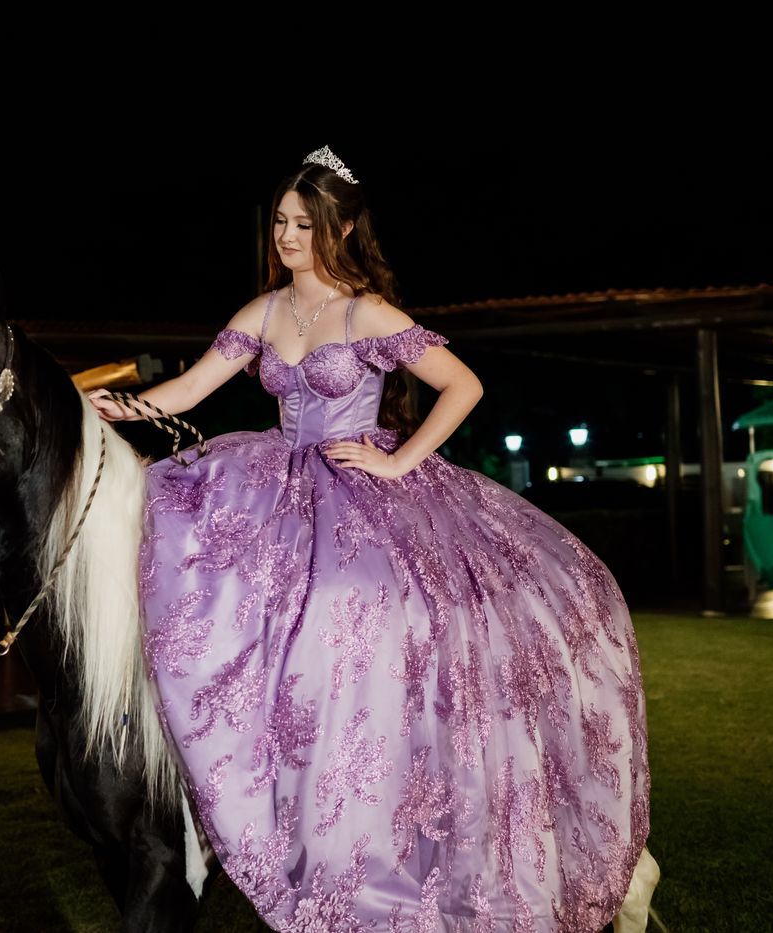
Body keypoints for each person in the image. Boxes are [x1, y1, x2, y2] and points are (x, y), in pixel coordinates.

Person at [89, 146, 658, 932]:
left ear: (344, 228)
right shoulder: (263, 311)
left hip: (364, 487)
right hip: (279, 485)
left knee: (371, 614)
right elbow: (190, 388)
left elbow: (463, 384)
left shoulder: (367, 313)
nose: (288, 237)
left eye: (304, 223)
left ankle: (386, 795)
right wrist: (119, 409)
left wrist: (399, 462)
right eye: (281, 222)